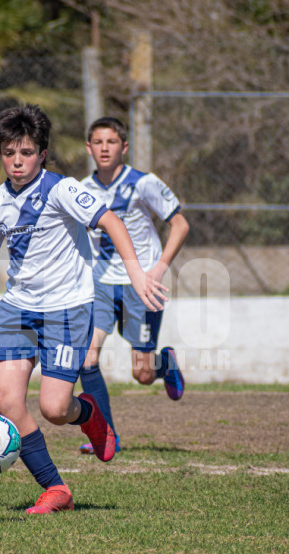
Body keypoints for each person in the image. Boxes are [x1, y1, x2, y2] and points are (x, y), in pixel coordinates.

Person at [0, 104, 167, 514]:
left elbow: (111, 220)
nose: (17, 161)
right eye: (9, 153)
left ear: (42, 153)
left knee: (55, 409)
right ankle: (55, 488)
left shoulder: (62, 189)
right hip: (17, 311)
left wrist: (137, 274)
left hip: (67, 310)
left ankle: (90, 414)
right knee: (6, 400)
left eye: (25, 152)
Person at [77, 117, 189, 455]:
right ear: (89, 148)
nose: (105, 148)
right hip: (99, 284)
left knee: (141, 373)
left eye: (112, 142)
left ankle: (164, 365)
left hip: (141, 285)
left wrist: (158, 269)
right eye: (98, 142)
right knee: (86, 358)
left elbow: (180, 224)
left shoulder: (143, 183)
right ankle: (106, 435)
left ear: (124, 146)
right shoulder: (81, 188)